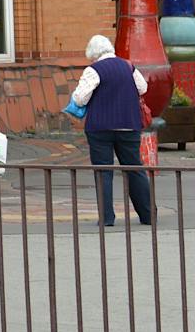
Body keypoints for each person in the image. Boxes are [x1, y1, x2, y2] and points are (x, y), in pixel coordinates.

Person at [65, 34, 153, 227]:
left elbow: (80, 98)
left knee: (104, 171)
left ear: (93, 54)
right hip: (129, 125)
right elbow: (143, 88)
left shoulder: (94, 70)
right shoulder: (129, 66)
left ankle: (107, 218)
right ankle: (147, 215)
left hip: (100, 127)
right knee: (134, 168)